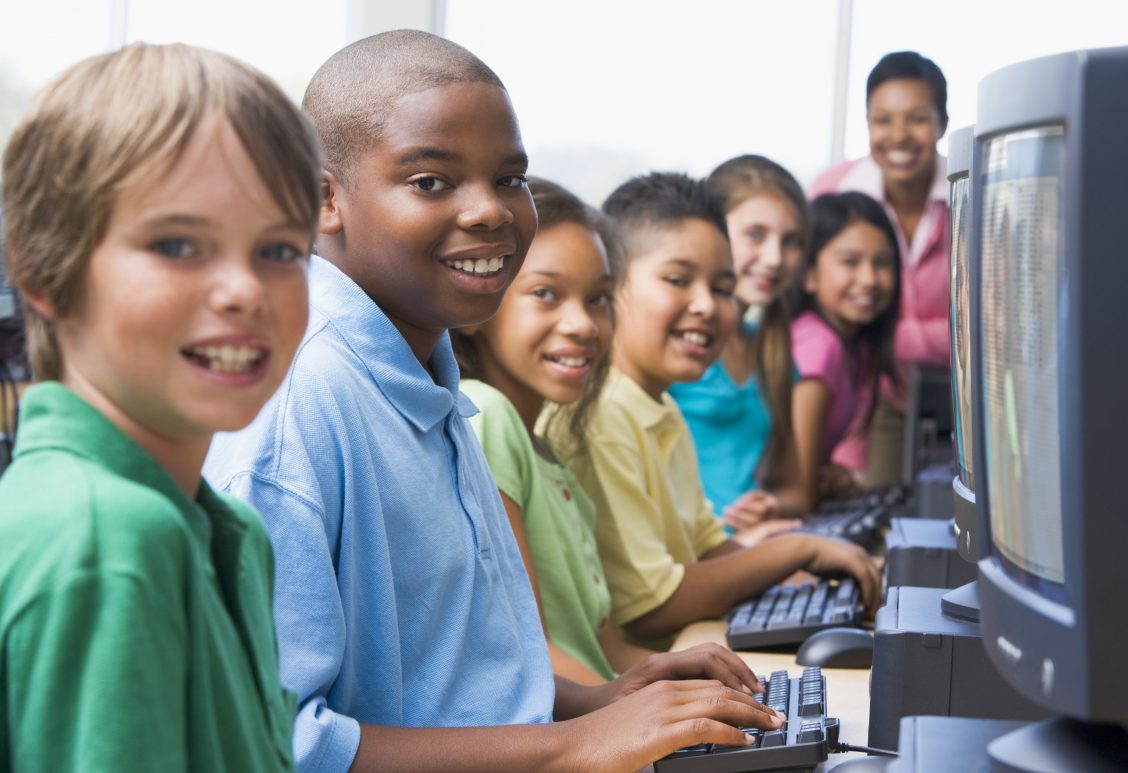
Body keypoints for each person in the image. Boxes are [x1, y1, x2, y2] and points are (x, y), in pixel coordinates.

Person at [204, 30, 783, 773]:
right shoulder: (299, 407)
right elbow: (279, 743)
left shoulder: (426, 380)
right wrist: (568, 746)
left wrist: (604, 701)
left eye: (510, 178)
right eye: (430, 182)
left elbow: (455, 688)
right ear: (323, 199)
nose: (490, 211)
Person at [0, 43, 321, 771]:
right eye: (177, 245)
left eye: (279, 250)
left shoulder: (229, 526)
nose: (244, 290)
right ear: (44, 270)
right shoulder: (109, 542)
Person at [547, 172, 882, 649]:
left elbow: (709, 548)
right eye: (678, 280)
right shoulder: (604, 414)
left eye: (723, 288)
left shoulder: (663, 407)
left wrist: (805, 578)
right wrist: (797, 549)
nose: (706, 305)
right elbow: (652, 608)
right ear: (611, 286)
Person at [454, 176, 661, 685]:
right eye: (546, 293)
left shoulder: (547, 455)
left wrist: (694, 680)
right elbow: (529, 652)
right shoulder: (485, 413)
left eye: (598, 298)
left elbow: (607, 652)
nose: (583, 325)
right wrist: (639, 709)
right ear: (479, 307)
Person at [811, 50, 950, 485]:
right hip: (859, 391)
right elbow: (812, 306)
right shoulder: (833, 192)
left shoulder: (971, 196)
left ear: (943, 123)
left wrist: (886, 336)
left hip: (959, 395)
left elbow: (990, 329)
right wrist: (935, 335)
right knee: (866, 497)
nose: (899, 136)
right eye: (883, 120)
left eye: (917, 119)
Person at [669, 154, 811, 543]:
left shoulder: (772, 354)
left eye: (791, 241)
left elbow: (797, 491)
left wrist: (771, 505)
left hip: (750, 547)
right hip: (694, 554)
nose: (775, 258)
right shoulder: (675, 344)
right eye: (755, 235)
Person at [784, 192, 901, 508]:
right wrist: (818, 484)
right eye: (850, 262)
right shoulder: (819, 346)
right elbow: (799, 491)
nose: (869, 279)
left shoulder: (855, 348)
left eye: (882, 263)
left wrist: (832, 476)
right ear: (808, 275)